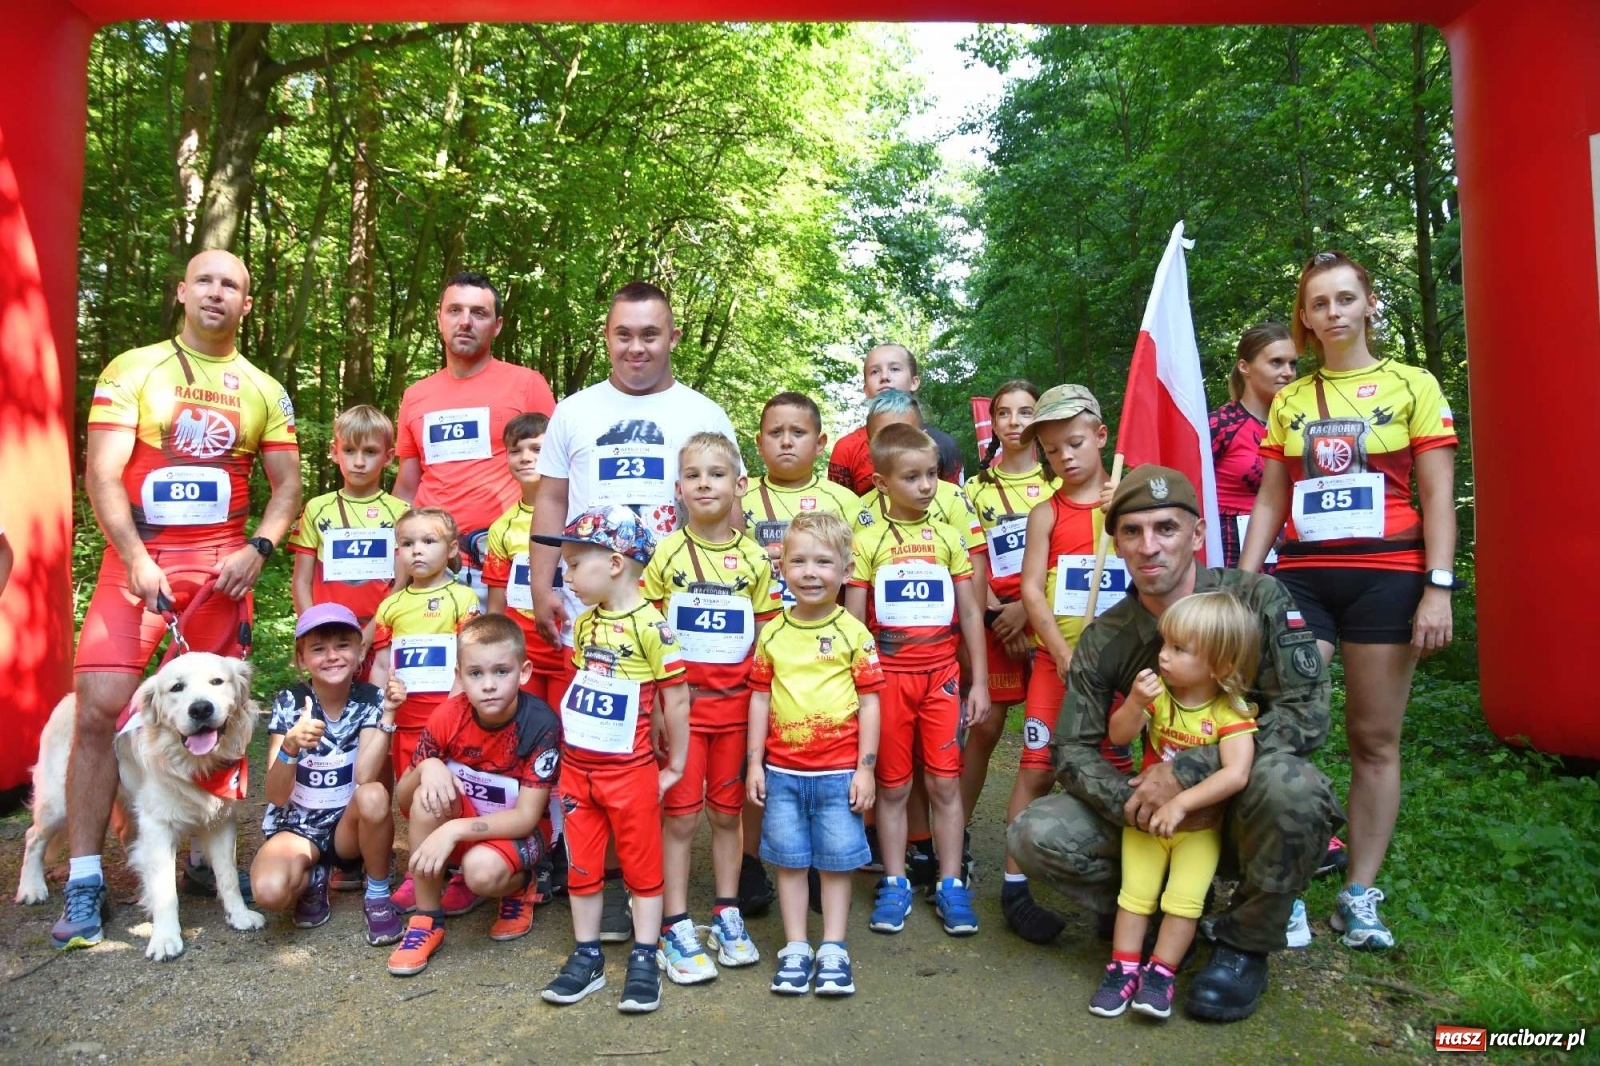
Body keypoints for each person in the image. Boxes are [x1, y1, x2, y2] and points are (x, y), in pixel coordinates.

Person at [1008, 465, 1340, 1022]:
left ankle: (1242, 944)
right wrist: (1135, 805)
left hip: (1240, 805)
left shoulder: (1257, 600)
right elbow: (1073, 749)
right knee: (1034, 833)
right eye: (1132, 532)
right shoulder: (1107, 637)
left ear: (1198, 533)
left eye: (1165, 527)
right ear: (1116, 544)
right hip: (1152, 823)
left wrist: (1188, 773)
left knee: (1295, 789)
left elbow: (1307, 716)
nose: (1148, 545)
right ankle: (1156, 911)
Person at [57, 248, 302, 951]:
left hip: (222, 570)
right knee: (102, 708)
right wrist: (133, 555)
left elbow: (286, 486)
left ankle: (199, 855)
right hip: (140, 564)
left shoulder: (265, 388)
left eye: (233, 285)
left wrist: (259, 549)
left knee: (218, 714)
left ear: (247, 303)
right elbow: (101, 473)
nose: (218, 293)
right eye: (207, 281)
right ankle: (82, 877)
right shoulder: (133, 369)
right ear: (183, 291)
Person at [1240, 249, 1457, 952]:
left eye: (1344, 299)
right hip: (1303, 578)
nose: (1332, 313)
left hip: (1388, 577)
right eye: (1318, 303)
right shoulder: (1293, 399)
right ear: (1304, 318)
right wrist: (1246, 587)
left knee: (1374, 738)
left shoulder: (1413, 384)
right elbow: (1272, 497)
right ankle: (1288, 885)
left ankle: (1359, 895)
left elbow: (1436, 495)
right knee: (1287, 729)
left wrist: (1439, 588)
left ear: (1368, 304)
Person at [528, 280, 739, 936]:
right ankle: (609, 877)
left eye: (651, 334)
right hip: (598, 607)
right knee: (608, 738)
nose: (637, 346)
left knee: (673, 732)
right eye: (625, 334)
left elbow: (731, 508)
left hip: (680, 604)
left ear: (673, 336)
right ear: (606, 337)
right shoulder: (574, 411)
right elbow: (553, 499)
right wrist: (542, 583)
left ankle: (668, 878)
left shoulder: (704, 411)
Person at [534, 505, 690, 1014]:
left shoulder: (653, 626)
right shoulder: (585, 626)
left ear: (617, 563)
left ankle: (645, 954)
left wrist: (675, 766)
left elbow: (677, 697)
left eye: (576, 563)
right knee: (582, 865)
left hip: (630, 772)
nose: (568, 575)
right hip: (579, 771)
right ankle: (587, 954)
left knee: (642, 866)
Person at [641, 432, 777, 982]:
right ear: (678, 488)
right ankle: (674, 921)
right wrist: (654, 704)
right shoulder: (666, 552)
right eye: (693, 475)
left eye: (716, 474)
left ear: (739, 485)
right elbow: (646, 633)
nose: (704, 483)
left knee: (726, 815)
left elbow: (767, 637)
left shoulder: (755, 559)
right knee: (680, 819)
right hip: (682, 709)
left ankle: (726, 911)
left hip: (737, 710)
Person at [847, 423, 990, 938]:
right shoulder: (865, 542)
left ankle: (951, 883)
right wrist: (857, 687)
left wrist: (980, 683)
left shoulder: (949, 537)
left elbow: (970, 615)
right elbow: (855, 623)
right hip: (886, 679)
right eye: (912, 477)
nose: (926, 485)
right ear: (883, 483)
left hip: (941, 678)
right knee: (894, 785)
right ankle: (894, 880)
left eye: (931, 474)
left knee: (944, 782)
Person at [1089, 592, 1259, 1021]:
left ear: (1220, 664)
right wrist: (1134, 704)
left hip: (1198, 829)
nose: (1163, 656)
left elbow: (1236, 773)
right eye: (1165, 645)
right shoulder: (1160, 695)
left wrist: (1182, 803)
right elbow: (1119, 737)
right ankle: (1122, 968)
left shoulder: (1229, 713)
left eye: (1179, 649)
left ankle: (1161, 974)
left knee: (1183, 903)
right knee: (1135, 897)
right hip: (1146, 822)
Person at [1003, 384, 1124, 945]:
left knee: (1116, 773)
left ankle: (1118, 891)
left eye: (1074, 443)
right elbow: (1031, 591)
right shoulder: (1045, 512)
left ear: (1101, 437)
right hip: (1058, 667)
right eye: (1052, 451)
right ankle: (1013, 885)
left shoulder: (1128, 501)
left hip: (1123, 673)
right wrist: (1062, 653)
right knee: (1036, 767)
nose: (1065, 457)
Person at [747, 512, 884, 996]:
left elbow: (870, 702)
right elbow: (760, 697)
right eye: (798, 560)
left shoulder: (855, 634)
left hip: (839, 773)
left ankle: (833, 949)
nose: (810, 572)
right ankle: (796, 947)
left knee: (835, 863)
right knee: (788, 861)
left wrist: (866, 770)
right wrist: (753, 763)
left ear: (846, 571)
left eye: (823, 562)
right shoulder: (773, 634)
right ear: (781, 566)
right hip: (782, 772)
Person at [737, 390, 862, 910]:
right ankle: (749, 863)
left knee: (817, 754)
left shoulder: (845, 502)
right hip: (759, 643)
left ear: (820, 441)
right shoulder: (740, 500)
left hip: (829, 651)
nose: (786, 441)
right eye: (775, 432)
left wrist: (851, 642)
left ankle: (815, 863)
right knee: (762, 753)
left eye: (799, 433)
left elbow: (859, 577)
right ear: (760, 441)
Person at [384, 614, 562, 976]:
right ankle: (427, 919)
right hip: (472, 822)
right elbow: (403, 802)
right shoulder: (448, 716)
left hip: (524, 831)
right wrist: (427, 767)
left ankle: (521, 885)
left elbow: (527, 818)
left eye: (501, 671)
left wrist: (453, 831)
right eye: (476, 673)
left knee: (479, 871)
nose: (489, 685)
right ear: (460, 676)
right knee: (424, 797)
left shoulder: (541, 724)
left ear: (524, 672)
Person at [393, 272, 556, 600]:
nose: (465, 321)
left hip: (503, 562)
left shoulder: (527, 384)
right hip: (430, 565)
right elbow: (406, 489)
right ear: (439, 318)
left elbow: (558, 477)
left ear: (497, 325)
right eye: (455, 310)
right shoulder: (416, 395)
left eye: (478, 313)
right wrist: (396, 560)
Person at [249, 604, 400, 946]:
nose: (332, 656)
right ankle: (314, 873)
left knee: (374, 794)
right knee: (270, 893)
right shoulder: (290, 701)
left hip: (348, 826)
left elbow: (365, 777)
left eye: (342, 645)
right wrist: (290, 746)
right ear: (301, 657)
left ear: (361, 651)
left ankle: (376, 893)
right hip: (297, 826)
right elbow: (275, 795)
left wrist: (388, 715)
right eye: (318, 649)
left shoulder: (371, 700)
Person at [368, 507, 482, 914]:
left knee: (453, 797)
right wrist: (382, 707)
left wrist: (452, 713)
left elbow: (468, 662)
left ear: (452, 549)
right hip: (407, 723)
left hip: (451, 723)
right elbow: (382, 664)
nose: (417, 551)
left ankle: (461, 873)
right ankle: (424, 872)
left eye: (428, 542)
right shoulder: (390, 606)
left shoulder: (463, 598)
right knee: (411, 799)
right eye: (407, 544)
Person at [959, 381, 1050, 833]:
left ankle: (1039, 838)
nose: (1015, 423)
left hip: (1047, 618)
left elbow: (1071, 558)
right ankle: (955, 839)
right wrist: (999, 617)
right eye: (1005, 414)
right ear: (992, 423)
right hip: (995, 622)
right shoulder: (974, 491)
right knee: (986, 728)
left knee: (1048, 734)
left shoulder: (1058, 483)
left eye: (1027, 412)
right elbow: (968, 562)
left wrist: (1029, 614)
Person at [288, 404, 406, 630]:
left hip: (384, 633)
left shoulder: (401, 512)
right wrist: (314, 628)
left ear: (388, 457)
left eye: (370, 451)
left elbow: (401, 583)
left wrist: (373, 632)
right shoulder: (316, 508)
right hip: (329, 631)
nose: (359, 462)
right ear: (334, 452)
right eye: (349, 450)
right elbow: (301, 581)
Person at [483, 412, 570, 704]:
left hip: (567, 649)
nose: (525, 457)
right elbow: (497, 606)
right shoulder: (501, 527)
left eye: (536, 449)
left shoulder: (577, 517)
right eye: (515, 451)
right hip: (522, 656)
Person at [1210, 322, 1298, 570]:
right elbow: (1183, 487)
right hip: (1229, 559)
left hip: (1290, 559)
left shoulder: (1300, 427)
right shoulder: (1220, 425)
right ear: (1245, 367)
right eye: (1276, 362)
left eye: (1293, 364)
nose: (1288, 372)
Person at [827, 343, 963, 494]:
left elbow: (955, 500)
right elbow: (839, 509)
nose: (884, 377)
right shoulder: (846, 448)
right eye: (874, 372)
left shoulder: (944, 444)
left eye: (894, 369)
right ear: (865, 389)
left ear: (914, 382)